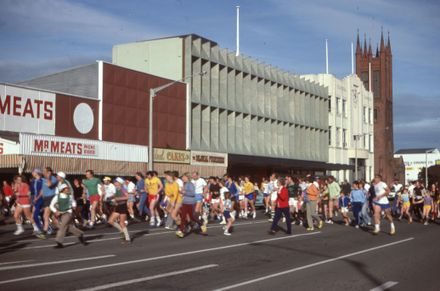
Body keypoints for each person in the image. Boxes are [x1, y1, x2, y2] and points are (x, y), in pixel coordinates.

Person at [50, 183, 87, 248]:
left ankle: (59, 242)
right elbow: (51, 205)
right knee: (66, 227)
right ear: (62, 190)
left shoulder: (69, 196)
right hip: (60, 214)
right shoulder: (57, 197)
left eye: (68, 188)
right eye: (66, 188)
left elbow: (73, 202)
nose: (68, 189)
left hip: (68, 212)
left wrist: (74, 206)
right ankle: (80, 234)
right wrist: (55, 211)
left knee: (62, 226)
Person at [176, 172, 207, 238]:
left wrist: (184, 192)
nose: (182, 178)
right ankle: (181, 232)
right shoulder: (185, 184)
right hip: (185, 202)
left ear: (187, 178)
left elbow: (193, 194)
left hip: (190, 203)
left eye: (183, 177)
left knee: (192, 217)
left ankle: (201, 224)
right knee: (183, 217)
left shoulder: (190, 184)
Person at [108, 178, 131, 244]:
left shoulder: (123, 189)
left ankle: (128, 239)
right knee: (110, 221)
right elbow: (116, 195)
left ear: (119, 183)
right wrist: (111, 197)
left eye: (116, 182)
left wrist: (118, 199)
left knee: (122, 223)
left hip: (123, 206)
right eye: (114, 182)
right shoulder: (116, 189)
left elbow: (127, 197)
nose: (114, 183)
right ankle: (122, 231)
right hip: (118, 206)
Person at [42, 167, 58, 235]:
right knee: (53, 217)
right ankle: (63, 228)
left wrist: (48, 177)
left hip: (51, 198)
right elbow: (42, 190)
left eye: (45, 171)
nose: (43, 173)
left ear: (49, 172)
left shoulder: (53, 178)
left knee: (45, 216)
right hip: (45, 198)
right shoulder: (43, 179)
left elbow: (49, 185)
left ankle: (44, 231)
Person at [30, 169, 45, 238]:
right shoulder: (33, 181)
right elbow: (31, 191)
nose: (32, 173)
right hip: (35, 199)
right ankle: (45, 227)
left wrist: (37, 198)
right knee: (37, 215)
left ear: (37, 173)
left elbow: (42, 191)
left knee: (35, 215)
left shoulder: (42, 180)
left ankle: (39, 229)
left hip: (41, 199)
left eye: (33, 172)